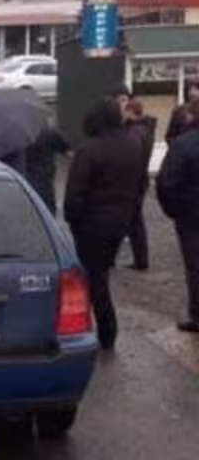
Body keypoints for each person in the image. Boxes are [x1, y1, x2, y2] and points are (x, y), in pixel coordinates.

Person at [64, 100, 148, 350]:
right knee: (100, 274)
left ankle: (104, 331)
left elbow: (75, 193)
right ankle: (103, 330)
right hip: (120, 221)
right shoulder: (134, 144)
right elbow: (141, 182)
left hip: (92, 224)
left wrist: (73, 220)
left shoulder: (90, 149)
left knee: (94, 278)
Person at [157, 99, 199, 334]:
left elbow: (166, 182)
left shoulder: (183, 144)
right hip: (190, 213)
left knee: (195, 265)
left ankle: (197, 315)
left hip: (191, 217)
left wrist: (174, 210)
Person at [124, 99, 157, 271]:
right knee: (134, 220)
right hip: (140, 179)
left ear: (131, 112)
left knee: (134, 222)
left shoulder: (135, 132)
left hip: (133, 181)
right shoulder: (145, 129)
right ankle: (140, 259)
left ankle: (141, 259)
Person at [25, 127, 70, 217]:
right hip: (45, 174)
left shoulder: (21, 136)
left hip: (27, 173)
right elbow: (66, 150)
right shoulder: (49, 133)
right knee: (47, 203)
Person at [166, 78, 199, 144]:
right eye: (190, 89)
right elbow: (170, 136)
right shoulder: (178, 112)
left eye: (197, 89)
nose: (192, 92)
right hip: (183, 148)